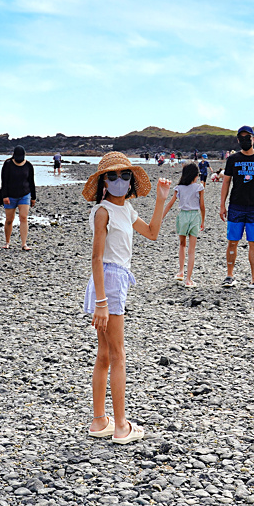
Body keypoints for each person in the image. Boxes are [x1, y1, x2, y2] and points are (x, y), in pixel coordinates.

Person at [83, 152, 170, 445]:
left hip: (116, 280)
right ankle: (121, 426)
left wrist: (160, 200)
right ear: (103, 183)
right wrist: (101, 302)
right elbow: (96, 258)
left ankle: (99, 421)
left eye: (124, 175)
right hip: (107, 281)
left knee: (106, 354)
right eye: (112, 176)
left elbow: (153, 232)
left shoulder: (127, 209)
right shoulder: (103, 212)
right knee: (118, 355)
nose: (119, 181)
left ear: (130, 181)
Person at [219, 126, 254, 289]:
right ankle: (229, 276)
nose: (245, 140)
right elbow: (226, 182)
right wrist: (222, 205)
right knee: (232, 242)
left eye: (248, 137)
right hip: (236, 206)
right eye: (242, 138)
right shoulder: (232, 159)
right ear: (238, 140)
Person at [162, 163, 205, 286]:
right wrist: (203, 220)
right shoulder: (199, 187)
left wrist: (161, 217)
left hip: (182, 216)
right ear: (195, 175)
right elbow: (202, 206)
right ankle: (188, 279)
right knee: (191, 250)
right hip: (194, 216)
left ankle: (181, 272)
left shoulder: (179, 187)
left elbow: (170, 204)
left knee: (182, 245)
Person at [0, 145, 35, 250]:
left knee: (23, 217)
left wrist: (33, 197)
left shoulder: (28, 165)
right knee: (9, 219)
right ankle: (7, 242)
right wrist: (4, 196)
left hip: (25, 194)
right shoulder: (8, 164)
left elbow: (31, 182)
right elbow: (4, 181)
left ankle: (24, 244)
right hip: (10, 195)